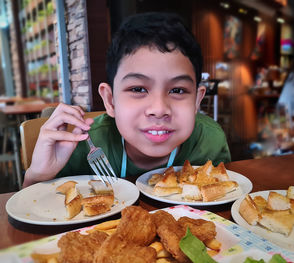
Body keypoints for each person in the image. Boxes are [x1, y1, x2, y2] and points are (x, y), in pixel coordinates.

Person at [23, 12, 231, 187]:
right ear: (110, 100)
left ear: (197, 100)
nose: (159, 109)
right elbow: (37, 213)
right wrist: (37, 176)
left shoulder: (209, 142)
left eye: (177, 90)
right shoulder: (82, 147)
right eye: (138, 88)